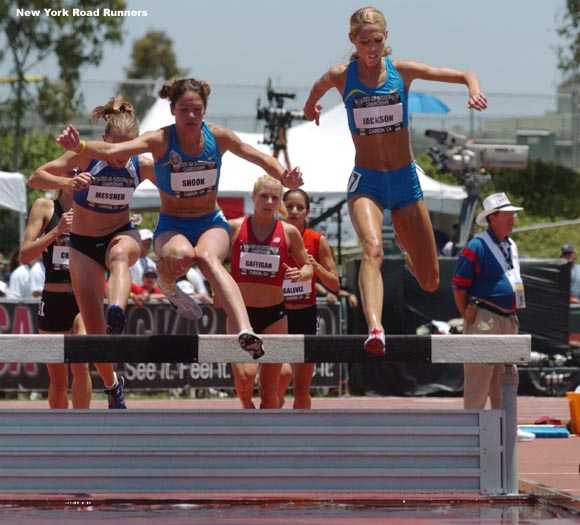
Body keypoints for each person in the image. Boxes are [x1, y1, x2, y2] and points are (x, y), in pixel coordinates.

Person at [55, 78, 303, 359]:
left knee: (208, 258)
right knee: (181, 255)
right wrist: (81, 147)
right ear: (172, 110)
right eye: (184, 110)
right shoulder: (159, 140)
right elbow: (114, 151)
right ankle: (169, 286)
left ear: (205, 110)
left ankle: (245, 330)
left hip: (210, 221)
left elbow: (258, 156)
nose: (191, 116)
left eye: (197, 110)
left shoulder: (218, 137)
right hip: (172, 225)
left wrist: (283, 175)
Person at [302, 6, 487, 356]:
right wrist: (311, 106)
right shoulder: (342, 76)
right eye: (364, 42)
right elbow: (317, 88)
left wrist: (473, 89)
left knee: (430, 281)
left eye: (377, 41)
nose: (371, 49)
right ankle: (376, 328)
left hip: (405, 182)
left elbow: (465, 73)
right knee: (372, 248)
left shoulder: (401, 72)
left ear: (386, 39)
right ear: (352, 41)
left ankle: (406, 246)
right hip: (367, 181)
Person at [29, 96, 156, 409]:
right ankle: (113, 386)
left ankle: (117, 309)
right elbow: (36, 177)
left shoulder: (143, 164)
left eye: (129, 149)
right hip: (84, 247)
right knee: (95, 341)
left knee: (120, 256)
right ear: (104, 142)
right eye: (116, 149)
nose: (121, 157)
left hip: (120, 234)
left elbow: (175, 192)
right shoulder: (86, 159)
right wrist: (69, 181)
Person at [452, 192, 534, 443]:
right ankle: (471, 429)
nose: (512, 219)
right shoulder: (476, 246)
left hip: (508, 318)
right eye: (507, 215)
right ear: (492, 218)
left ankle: (506, 425)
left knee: (506, 376)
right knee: (479, 377)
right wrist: (469, 316)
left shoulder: (510, 246)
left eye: (513, 215)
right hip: (485, 317)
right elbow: (458, 286)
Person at [228, 175, 312, 409]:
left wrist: (302, 274)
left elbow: (307, 266)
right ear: (253, 197)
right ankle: (246, 406)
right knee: (244, 380)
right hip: (241, 314)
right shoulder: (234, 227)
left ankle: (266, 441)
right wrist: (218, 287)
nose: (268, 201)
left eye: (275, 198)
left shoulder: (288, 232)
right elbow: (210, 258)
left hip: (275, 315)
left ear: (280, 203)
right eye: (263, 196)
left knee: (269, 389)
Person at [19, 176, 92, 409]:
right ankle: (61, 435)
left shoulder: (94, 208)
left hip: (83, 297)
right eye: (70, 172)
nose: (77, 177)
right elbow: (24, 255)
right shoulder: (44, 206)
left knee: (81, 365)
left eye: (81, 171)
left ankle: (83, 432)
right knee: (59, 382)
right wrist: (57, 231)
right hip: (53, 297)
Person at [277, 189, 340, 409]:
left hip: (305, 315)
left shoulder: (316, 240)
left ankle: (301, 436)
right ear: (281, 208)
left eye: (300, 207)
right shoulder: (273, 236)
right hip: (277, 314)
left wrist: (316, 268)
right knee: (281, 376)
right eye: (290, 206)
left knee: (302, 387)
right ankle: (271, 421)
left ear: (307, 211)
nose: (294, 211)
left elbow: (334, 284)